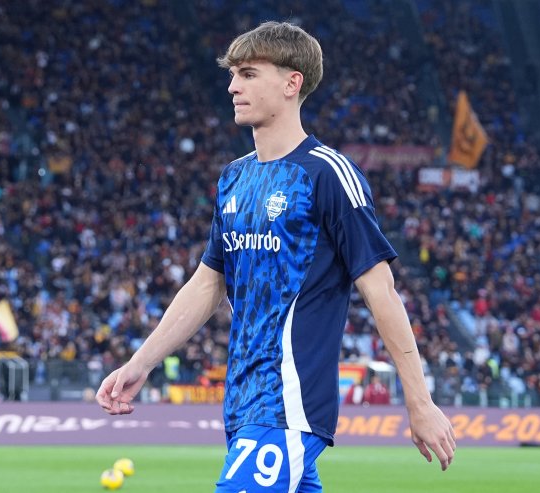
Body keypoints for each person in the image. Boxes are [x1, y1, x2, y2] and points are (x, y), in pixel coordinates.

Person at [96, 21, 456, 492]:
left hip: (288, 400)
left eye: (248, 73)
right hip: (244, 402)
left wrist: (420, 401)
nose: (232, 86)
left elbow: (380, 288)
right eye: (232, 75)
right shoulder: (234, 178)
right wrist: (140, 363)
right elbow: (208, 284)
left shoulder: (328, 174)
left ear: (292, 83)